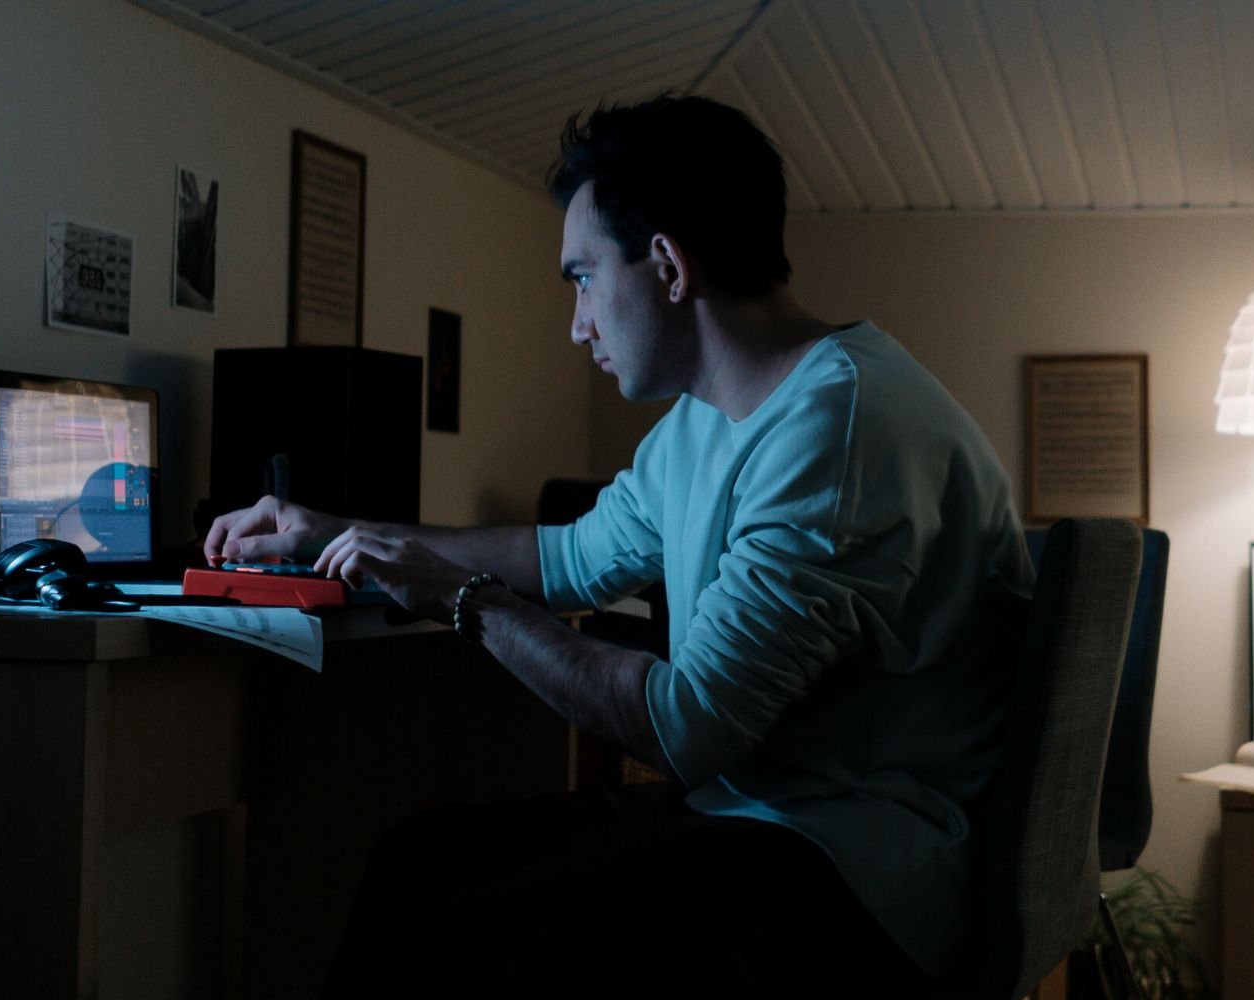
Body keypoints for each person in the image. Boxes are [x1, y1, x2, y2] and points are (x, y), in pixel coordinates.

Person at [204, 94, 1033, 994]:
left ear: (669, 266)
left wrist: (461, 598)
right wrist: (340, 532)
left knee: (465, 944)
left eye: (582, 278)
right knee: (418, 860)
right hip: (760, 819)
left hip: (864, 880)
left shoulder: (835, 429)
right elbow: (564, 560)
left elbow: (683, 728)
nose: (577, 321)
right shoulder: (703, 422)